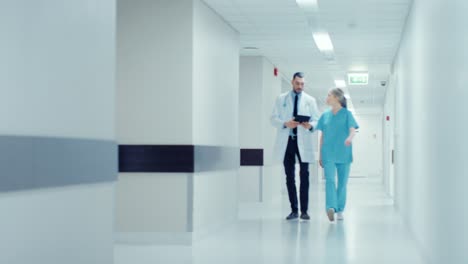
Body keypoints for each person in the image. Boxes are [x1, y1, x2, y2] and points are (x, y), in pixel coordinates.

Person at [270, 72, 320, 220]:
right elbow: (273, 119)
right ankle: (294, 210)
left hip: (303, 141)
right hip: (288, 142)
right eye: (297, 83)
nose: (300, 86)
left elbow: (317, 120)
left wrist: (309, 125)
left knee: (305, 175)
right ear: (292, 82)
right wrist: (286, 123)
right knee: (289, 176)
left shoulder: (310, 100)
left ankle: (304, 211)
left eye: (302, 84)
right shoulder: (281, 99)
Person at [316, 88, 359, 222]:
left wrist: (349, 138)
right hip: (328, 153)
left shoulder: (347, 114)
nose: (327, 97)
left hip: (344, 153)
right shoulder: (325, 115)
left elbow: (353, 130)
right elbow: (322, 136)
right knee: (329, 180)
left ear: (337, 98)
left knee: (342, 183)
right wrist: (320, 155)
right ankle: (331, 208)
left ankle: (340, 209)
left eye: (329, 95)